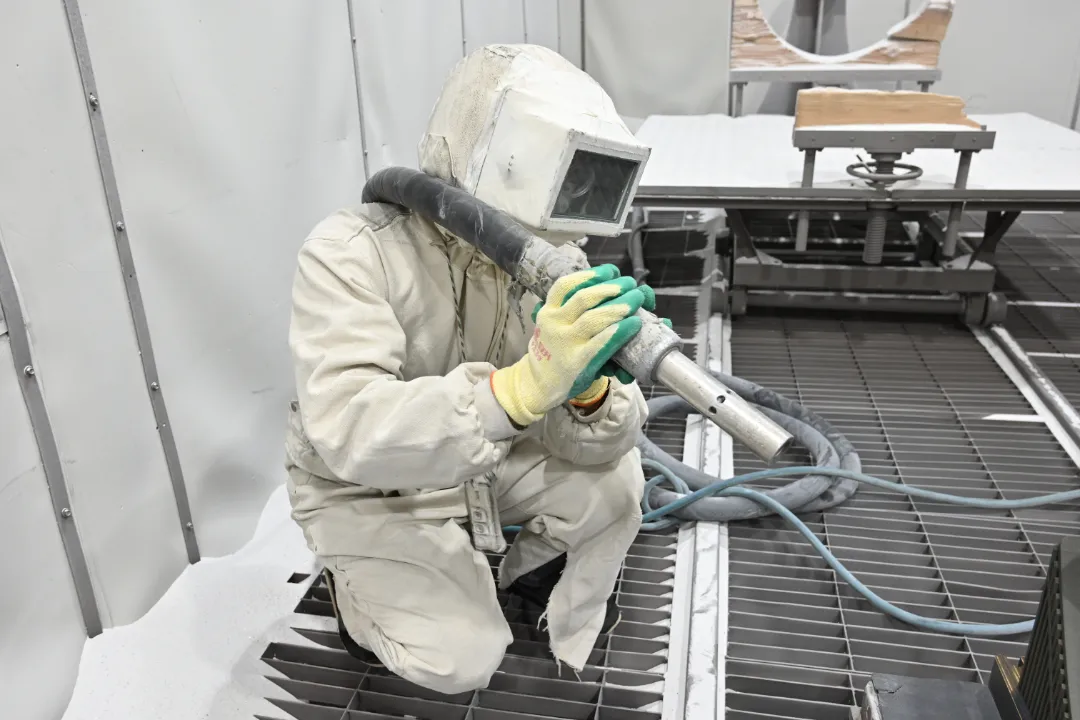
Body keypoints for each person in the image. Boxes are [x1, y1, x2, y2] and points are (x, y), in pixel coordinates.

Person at [284, 43, 664, 695]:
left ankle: (516, 571)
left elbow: (605, 444)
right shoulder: (350, 253)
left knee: (617, 484)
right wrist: (520, 389)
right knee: (462, 658)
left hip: (478, 465)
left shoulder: (547, 259)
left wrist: (589, 392)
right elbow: (350, 430)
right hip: (370, 490)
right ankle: (359, 601)